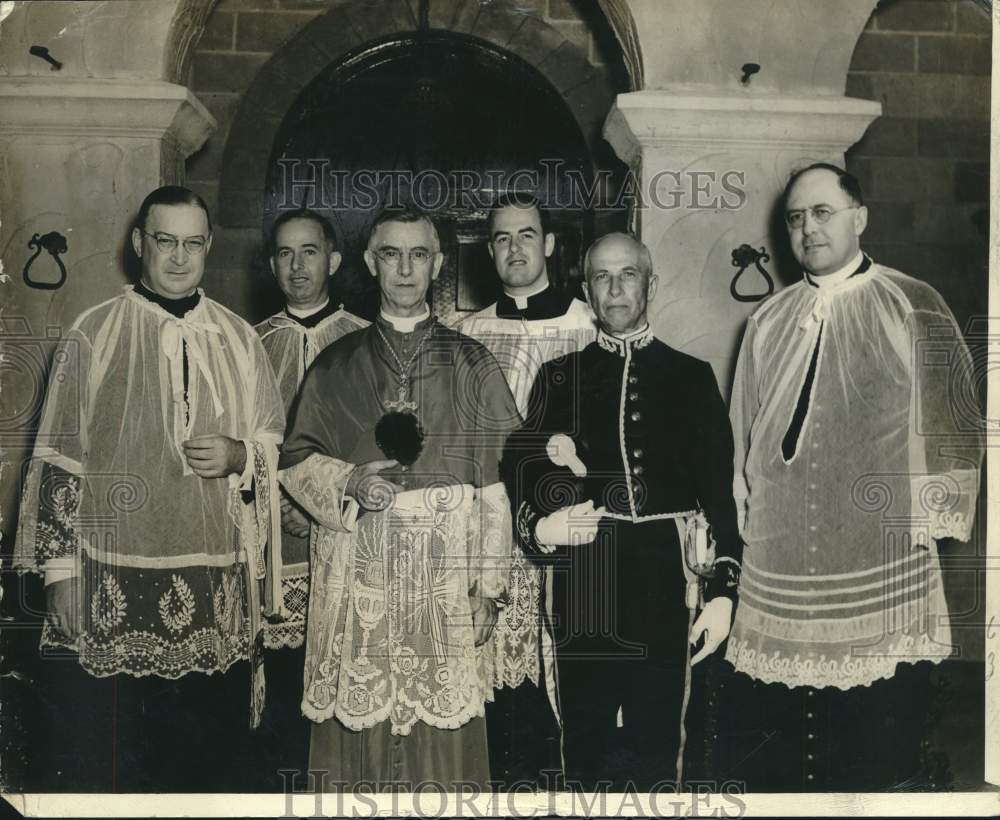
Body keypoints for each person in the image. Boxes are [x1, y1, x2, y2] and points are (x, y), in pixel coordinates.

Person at [13, 185, 285, 792]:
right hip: (111, 580)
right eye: (166, 242)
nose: (180, 257)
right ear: (139, 245)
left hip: (216, 587)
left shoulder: (241, 339)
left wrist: (242, 455)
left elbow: (274, 446)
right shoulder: (95, 332)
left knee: (203, 765)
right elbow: (59, 459)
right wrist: (60, 573)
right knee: (118, 763)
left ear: (209, 247)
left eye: (193, 244)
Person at [724, 163, 984, 791]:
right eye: (795, 218)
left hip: (876, 556)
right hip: (782, 557)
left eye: (822, 212)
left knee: (873, 743)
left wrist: (931, 524)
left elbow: (952, 424)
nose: (807, 228)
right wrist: (747, 508)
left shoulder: (910, 301)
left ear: (859, 218)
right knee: (787, 740)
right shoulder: (767, 319)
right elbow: (745, 434)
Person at [278, 208, 521, 790]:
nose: (406, 269)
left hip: (444, 584)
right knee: (357, 731)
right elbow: (293, 462)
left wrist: (489, 587)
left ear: (437, 265)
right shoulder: (335, 363)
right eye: (392, 254)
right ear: (370, 262)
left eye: (419, 255)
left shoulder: (474, 363)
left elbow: (495, 487)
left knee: (443, 735)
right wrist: (348, 481)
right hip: (360, 579)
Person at [503, 232, 741, 791]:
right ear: (586, 289)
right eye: (602, 277)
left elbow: (719, 490)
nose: (615, 288)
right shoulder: (559, 376)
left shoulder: (691, 376)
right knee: (582, 739)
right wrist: (542, 524)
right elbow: (523, 466)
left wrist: (725, 589)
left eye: (627, 274)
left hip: (665, 574)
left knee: (660, 740)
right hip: (587, 575)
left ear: (650, 283)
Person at [457, 193, 595, 787]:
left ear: (549, 244)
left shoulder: (588, 326)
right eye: (501, 238)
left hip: (568, 534)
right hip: (486, 531)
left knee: (565, 677)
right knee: (492, 686)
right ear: (489, 251)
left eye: (526, 235)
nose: (514, 248)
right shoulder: (466, 333)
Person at [253, 208, 368, 787]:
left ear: (335, 259)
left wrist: (320, 503)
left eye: (310, 251)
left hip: (343, 538)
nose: (297, 266)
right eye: (285, 254)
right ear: (272, 264)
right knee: (278, 696)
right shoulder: (250, 344)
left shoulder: (362, 340)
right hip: (274, 549)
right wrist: (280, 504)